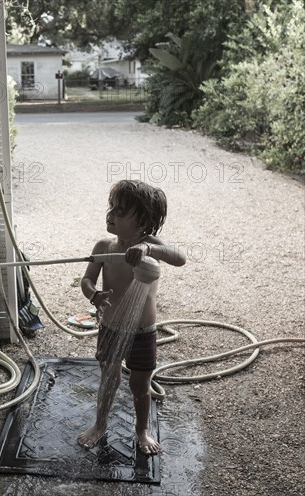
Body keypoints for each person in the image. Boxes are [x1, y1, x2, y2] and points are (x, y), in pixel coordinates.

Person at [78, 180, 186, 455]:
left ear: (143, 224)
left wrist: (149, 250)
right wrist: (94, 295)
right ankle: (100, 424)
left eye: (121, 211)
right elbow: (87, 279)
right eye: (111, 207)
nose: (111, 214)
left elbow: (180, 257)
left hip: (143, 331)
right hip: (111, 327)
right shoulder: (104, 246)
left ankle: (142, 430)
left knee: (140, 385)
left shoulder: (149, 245)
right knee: (109, 380)